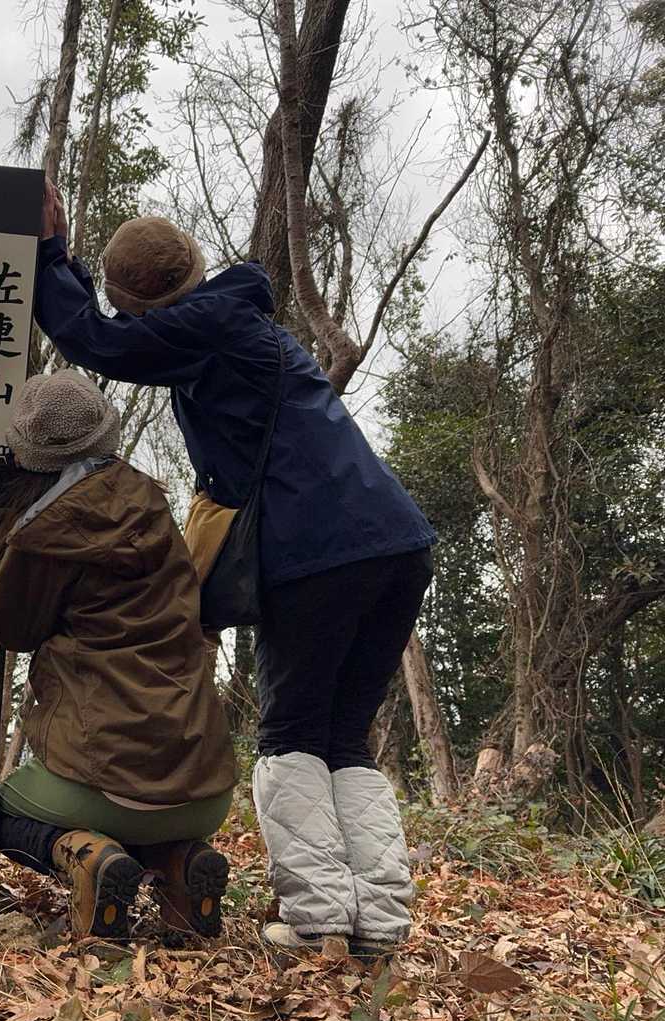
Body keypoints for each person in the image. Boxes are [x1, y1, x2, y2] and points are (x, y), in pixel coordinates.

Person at [32, 188, 434, 956]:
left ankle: (319, 919)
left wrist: (51, 256)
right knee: (343, 737)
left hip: (320, 552)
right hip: (395, 542)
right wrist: (71, 266)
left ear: (142, 302)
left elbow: (101, 343)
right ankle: (379, 922)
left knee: (290, 735)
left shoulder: (209, 328)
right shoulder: (234, 319)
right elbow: (119, 334)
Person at [0, 369, 237, 943]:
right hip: (204, 787)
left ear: (30, 455)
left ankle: (87, 856)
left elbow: (14, 629)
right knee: (148, 815)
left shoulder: (41, 532)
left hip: (103, 774)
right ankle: (180, 864)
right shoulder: (154, 506)